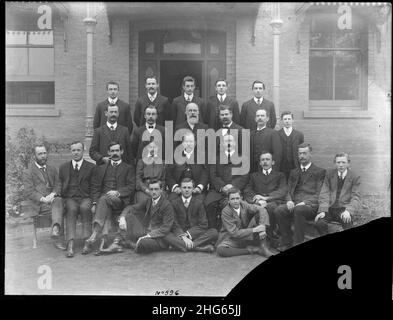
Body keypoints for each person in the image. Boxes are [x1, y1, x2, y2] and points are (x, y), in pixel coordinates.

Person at [83, 142, 135, 255]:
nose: (115, 153)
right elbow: (95, 187)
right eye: (112, 151)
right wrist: (94, 203)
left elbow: (131, 187)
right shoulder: (101, 168)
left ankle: (94, 235)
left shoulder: (128, 168)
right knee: (103, 201)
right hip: (105, 201)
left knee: (104, 199)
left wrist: (118, 192)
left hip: (120, 200)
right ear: (108, 153)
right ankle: (103, 243)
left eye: (117, 151)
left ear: (122, 152)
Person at [274, 143, 326, 250]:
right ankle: (286, 241)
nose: (301, 156)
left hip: (310, 205)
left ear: (310, 154)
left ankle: (298, 243)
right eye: (300, 153)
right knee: (279, 210)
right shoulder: (294, 172)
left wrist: (306, 202)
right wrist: (289, 200)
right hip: (295, 203)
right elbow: (288, 190)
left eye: (304, 153)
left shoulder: (320, 171)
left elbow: (320, 193)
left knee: (299, 209)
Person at [104, 179, 176, 254]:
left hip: (158, 237)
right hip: (147, 232)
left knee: (144, 243)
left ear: (161, 190)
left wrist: (149, 235)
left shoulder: (167, 205)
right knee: (129, 216)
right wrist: (122, 217)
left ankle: (130, 244)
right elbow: (131, 207)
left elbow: (166, 228)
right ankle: (117, 242)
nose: (154, 192)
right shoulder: (149, 201)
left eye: (156, 189)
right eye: (151, 189)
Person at [22, 144, 65, 250]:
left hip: (53, 201)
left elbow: (58, 184)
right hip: (39, 205)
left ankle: (56, 228)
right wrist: (44, 199)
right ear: (34, 156)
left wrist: (53, 194)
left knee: (59, 201)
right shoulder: (28, 172)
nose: (43, 156)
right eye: (40, 154)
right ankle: (58, 235)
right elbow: (29, 191)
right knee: (60, 205)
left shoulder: (52, 169)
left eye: (44, 153)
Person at [57, 141, 95, 257]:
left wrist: (94, 202)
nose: (76, 152)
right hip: (70, 198)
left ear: (83, 150)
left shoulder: (91, 167)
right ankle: (70, 244)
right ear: (70, 151)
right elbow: (59, 184)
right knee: (71, 209)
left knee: (85, 208)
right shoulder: (63, 168)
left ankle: (86, 242)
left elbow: (94, 186)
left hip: (86, 197)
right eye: (73, 150)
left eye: (78, 150)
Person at [205, 134, 249, 230]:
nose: (228, 143)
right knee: (209, 203)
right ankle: (214, 232)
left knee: (231, 204)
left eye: (231, 141)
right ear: (221, 144)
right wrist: (223, 186)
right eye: (226, 141)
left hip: (235, 190)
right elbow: (213, 175)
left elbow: (244, 176)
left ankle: (232, 232)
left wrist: (232, 187)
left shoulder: (243, 158)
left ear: (235, 144)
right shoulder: (215, 158)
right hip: (218, 190)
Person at [244, 151, 287, 248]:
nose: (265, 162)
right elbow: (247, 190)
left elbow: (282, 190)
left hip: (273, 201)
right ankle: (259, 239)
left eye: (268, 159)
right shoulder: (254, 176)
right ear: (260, 163)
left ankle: (269, 238)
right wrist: (257, 199)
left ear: (273, 162)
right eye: (262, 160)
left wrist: (266, 198)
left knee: (270, 208)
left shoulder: (280, 175)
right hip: (257, 202)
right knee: (252, 209)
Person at [216, 188, 275, 258]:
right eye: (232, 199)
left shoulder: (243, 204)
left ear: (241, 198)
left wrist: (262, 227)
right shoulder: (225, 212)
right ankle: (253, 250)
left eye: (237, 198)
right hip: (231, 238)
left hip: (246, 236)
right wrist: (255, 229)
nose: (235, 201)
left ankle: (263, 247)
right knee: (221, 250)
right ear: (228, 200)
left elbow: (261, 209)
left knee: (260, 214)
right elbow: (234, 233)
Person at [164, 178, 219, 253]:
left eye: (189, 187)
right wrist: (183, 236)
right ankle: (198, 248)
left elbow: (203, 224)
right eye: (184, 187)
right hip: (180, 235)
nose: (187, 190)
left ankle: (183, 246)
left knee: (214, 232)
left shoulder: (199, 203)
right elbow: (174, 224)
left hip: (195, 235)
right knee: (166, 235)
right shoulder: (174, 203)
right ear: (180, 188)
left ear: (193, 189)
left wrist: (187, 235)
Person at [314, 152, 361, 235]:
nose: (341, 165)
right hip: (330, 209)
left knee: (347, 222)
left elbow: (356, 197)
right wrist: (323, 210)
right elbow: (324, 193)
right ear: (335, 163)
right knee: (319, 223)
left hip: (343, 209)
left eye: (343, 162)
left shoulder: (355, 177)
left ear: (348, 163)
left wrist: (349, 211)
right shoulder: (329, 174)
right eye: (338, 162)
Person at [166, 132, 208, 202]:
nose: (188, 144)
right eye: (186, 141)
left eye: (191, 141)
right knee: (172, 202)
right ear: (182, 143)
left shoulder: (202, 156)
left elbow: (205, 173)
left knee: (199, 202)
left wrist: (199, 187)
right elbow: (169, 174)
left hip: (196, 191)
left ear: (195, 143)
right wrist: (175, 187)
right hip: (178, 191)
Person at [277, 111, 304, 180]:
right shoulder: (276, 134)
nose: (287, 121)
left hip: (295, 165)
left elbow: (302, 151)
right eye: (285, 119)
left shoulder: (299, 135)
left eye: (289, 119)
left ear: (292, 120)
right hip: (281, 166)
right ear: (282, 120)